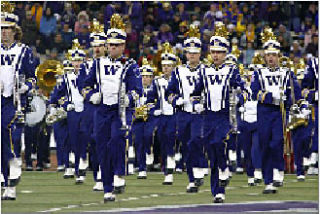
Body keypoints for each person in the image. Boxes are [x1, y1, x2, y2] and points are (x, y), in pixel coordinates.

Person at [82, 14, 142, 202]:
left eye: (117, 45)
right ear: (107, 45)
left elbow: (138, 90)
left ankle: (119, 173)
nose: (113, 48)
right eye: (111, 45)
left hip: (120, 111)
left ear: (123, 46)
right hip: (101, 111)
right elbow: (85, 85)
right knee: (101, 148)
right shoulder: (98, 64)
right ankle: (108, 188)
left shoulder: (130, 65)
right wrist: (92, 95)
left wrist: (128, 99)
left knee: (116, 139)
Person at [191, 22, 245, 203]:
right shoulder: (204, 71)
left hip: (223, 115)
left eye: (219, 52)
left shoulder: (231, 70)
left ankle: (224, 169)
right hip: (208, 115)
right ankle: (218, 191)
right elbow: (195, 93)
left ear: (225, 53)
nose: (215, 55)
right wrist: (196, 103)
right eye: (213, 52)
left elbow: (243, 88)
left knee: (217, 142)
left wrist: (240, 99)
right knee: (209, 149)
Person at [250, 27, 301, 194]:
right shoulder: (259, 72)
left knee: (277, 142)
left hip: (280, 113)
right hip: (264, 111)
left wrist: (290, 100)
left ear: (279, 56)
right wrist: (271, 97)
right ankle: (268, 180)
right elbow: (254, 92)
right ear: (264, 57)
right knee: (264, 144)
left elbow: (295, 92)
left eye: (274, 55)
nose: (271, 58)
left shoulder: (287, 73)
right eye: (268, 55)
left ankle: (279, 170)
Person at [1, 2, 36, 200]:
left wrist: (26, 87)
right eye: (1, 29)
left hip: (14, 102)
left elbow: (33, 78)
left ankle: (12, 175)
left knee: (9, 134)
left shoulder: (24, 51)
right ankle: (7, 182)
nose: (4, 32)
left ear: (15, 31)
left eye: (7, 29)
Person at [165, 25, 206, 193]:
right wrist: (177, 100)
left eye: (195, 53)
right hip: (183, 113)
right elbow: (169, 93)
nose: (192, 55)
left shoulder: (207, 70)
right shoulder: (178, 71)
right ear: (186, 54)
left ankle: (200, 168)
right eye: (189, 52)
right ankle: (192, 178)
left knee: (196, 140)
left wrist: (205, 103)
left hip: (200, 113)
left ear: (200, 54)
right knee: (185, 144)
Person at [146, 42, 178, 185]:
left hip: (176, 115)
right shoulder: (157, 81)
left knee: (173, 141)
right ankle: (167, 168)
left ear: (173, 66)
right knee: (163, 141)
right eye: (164, 66)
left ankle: (171, 168)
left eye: (169, 66)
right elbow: (150, 99)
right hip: (162, 116)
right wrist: (154, 110)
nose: (166, 68)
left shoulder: (178, 80)